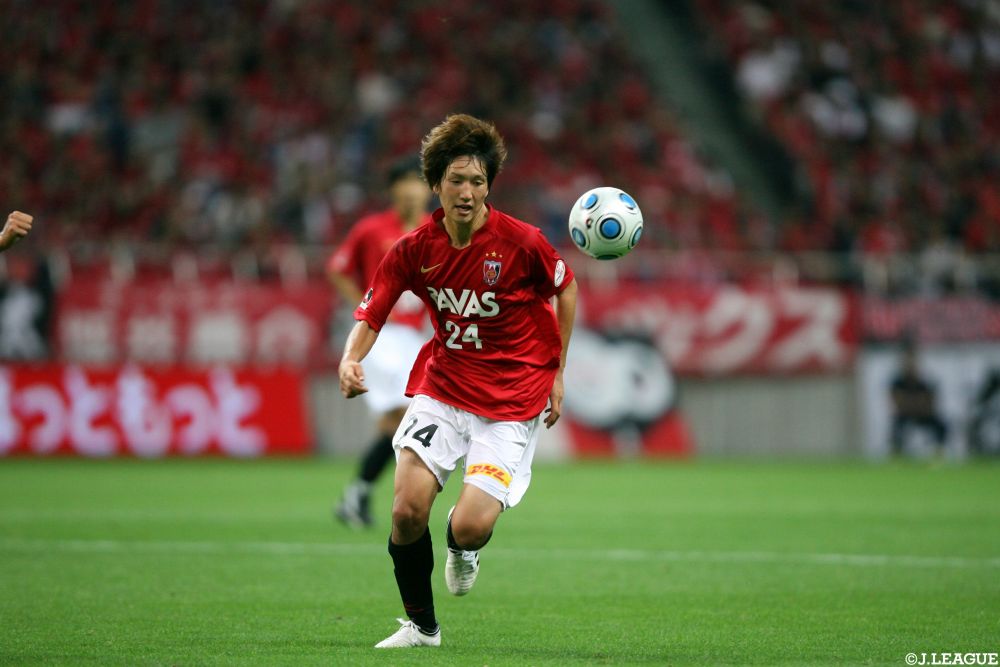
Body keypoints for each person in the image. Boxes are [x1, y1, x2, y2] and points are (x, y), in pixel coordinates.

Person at [338, 114, 577, 649]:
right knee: (405, 510)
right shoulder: (413, 249)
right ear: (436, 185)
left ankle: (463, 546)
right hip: (444, 388)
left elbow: (566, 287)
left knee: (469, 525)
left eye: (477, 181)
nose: (466, 192)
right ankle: (421, 627)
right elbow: (372, 311)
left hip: (512, 399)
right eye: (456, 180)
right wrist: (350, 359)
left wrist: (557, 371)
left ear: (489, 186)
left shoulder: (522, 242)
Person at [329, 157, 433, 527]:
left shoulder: (435, 228)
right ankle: (363, 495)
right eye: (405, 183)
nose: (412, 190)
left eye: (418, 182)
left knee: (397, 424)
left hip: (416, 336)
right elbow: (338, 268)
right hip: (382, 335)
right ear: (393, 190)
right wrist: (366, 304)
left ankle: (356, 495)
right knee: (404, 417)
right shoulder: (371, 229)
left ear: (429, 189)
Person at [889, 341, 947, 456]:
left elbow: (930, 403)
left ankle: (938, 451)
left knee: (941, 425)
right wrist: (916, 402)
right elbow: (898, 403)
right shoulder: (898, 382)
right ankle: (897, 452)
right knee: (897, 425)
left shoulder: (923, 382)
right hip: (905, 415)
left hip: (922, 415)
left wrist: (911, 402)